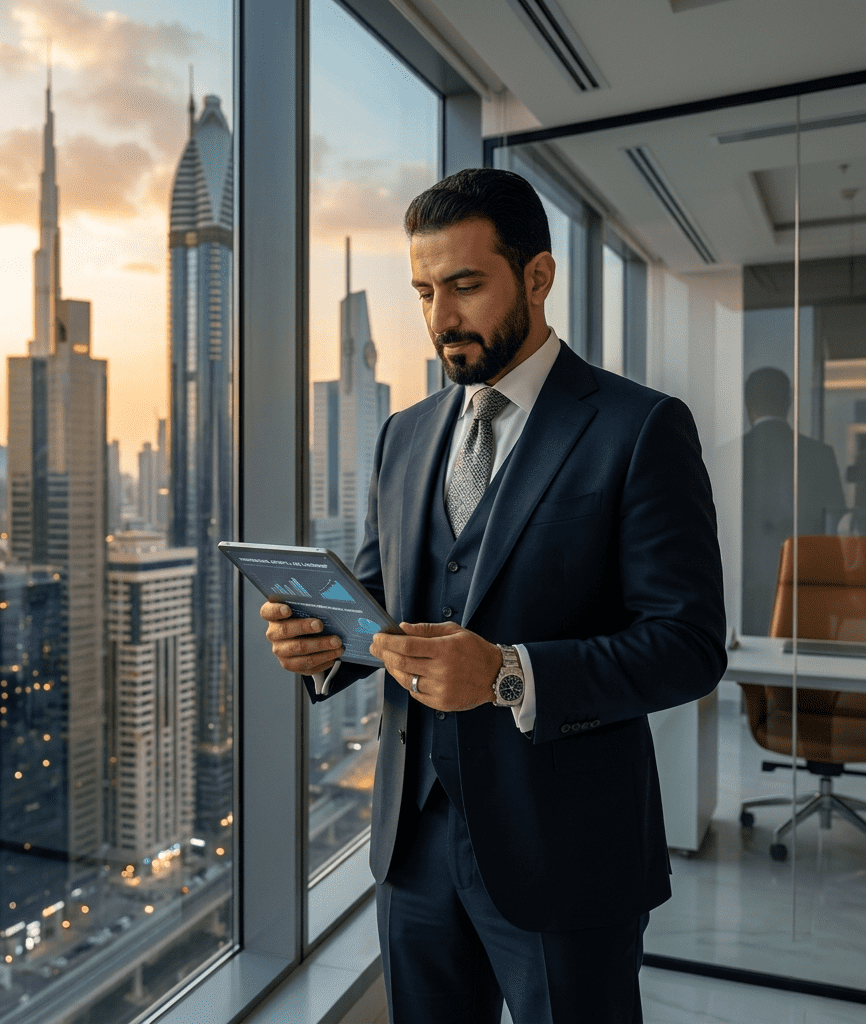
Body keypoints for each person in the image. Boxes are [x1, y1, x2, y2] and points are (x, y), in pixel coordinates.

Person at [261, 168, 726, 1023]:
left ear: (538, 278)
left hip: (567, 850)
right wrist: (327, 647)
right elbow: (384, 599)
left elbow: (689, 644)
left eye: (466, 285)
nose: (441, 317)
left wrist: (510, 674)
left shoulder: (640, 427)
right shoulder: (405, 435)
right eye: (425, 290)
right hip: (413, 846)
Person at [741, 366, 845, 635]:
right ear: (788, 401)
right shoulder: (821, 455)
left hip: (742, 587)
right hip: (806, 584)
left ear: (747, 404)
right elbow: (835, 524)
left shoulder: (731, 457)